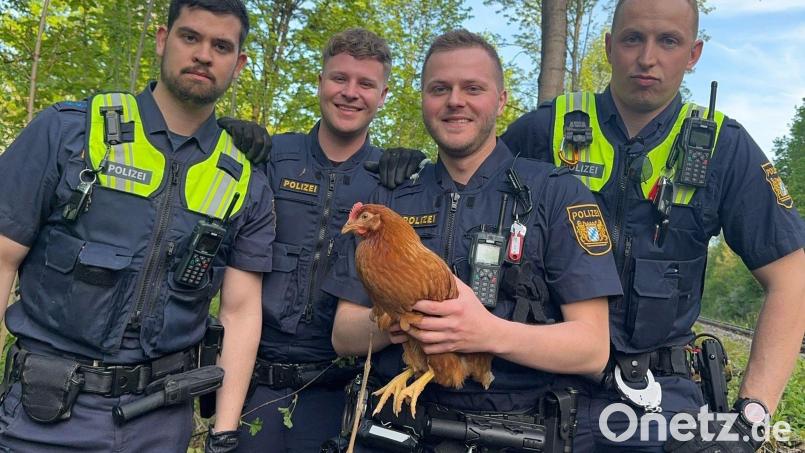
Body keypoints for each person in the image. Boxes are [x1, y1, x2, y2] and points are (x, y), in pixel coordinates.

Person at [501, 0, 805, 451]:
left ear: (694, 53)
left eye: (668, 41)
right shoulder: (545, 130)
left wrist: (752, 417)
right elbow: (462, 192)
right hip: (534, 388)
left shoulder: (725, 147)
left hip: (661, 402)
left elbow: (791, 279)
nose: (647, 58)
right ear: (608, 46)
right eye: (632, 39)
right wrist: (399, 177)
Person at [323, 29, 623, 452]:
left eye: (473, 88)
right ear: (424, 99)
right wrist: (400, 319)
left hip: (511, 433)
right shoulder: (388, 197)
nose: (455, 101)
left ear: (500, 101)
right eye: (439, 88)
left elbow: (591, 349)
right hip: (395, 432)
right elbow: (343, 334)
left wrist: (486, 332)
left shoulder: (556, 193)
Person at [0, 1, 275, 452]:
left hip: (161, 424)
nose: (204, 54)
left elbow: (241, 312)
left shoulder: (245, 181)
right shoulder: (69, 132)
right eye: (191, 37)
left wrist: (223, 432)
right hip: (44, 416)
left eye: (221, 45)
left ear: (239, 63)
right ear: (164, 39)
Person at [217, 29, 424, 453]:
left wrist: (424, 173)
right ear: (319, 82)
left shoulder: (390, 182)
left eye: (365, 84)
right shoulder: (272, 158)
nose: (350, 93)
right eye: (339, 79)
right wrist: (219, 138)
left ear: (382, 95)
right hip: (255, 386)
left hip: (341, 391)